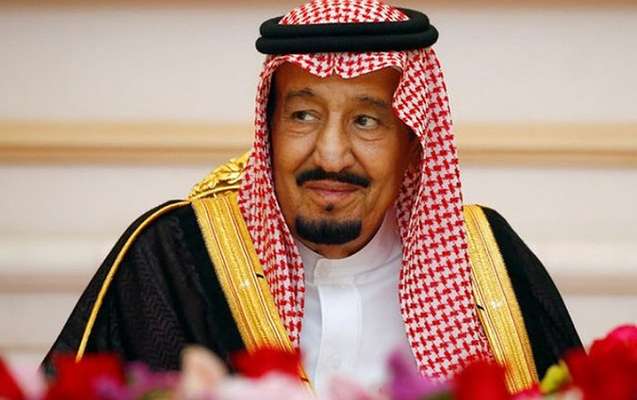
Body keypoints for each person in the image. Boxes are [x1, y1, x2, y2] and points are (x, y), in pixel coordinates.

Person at [44, 0, 582, 395]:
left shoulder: (486, 259)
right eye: (303, 115)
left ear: (413, 147)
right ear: (269, 131)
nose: (331, 155)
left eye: (367, 121)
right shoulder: (175, 256)